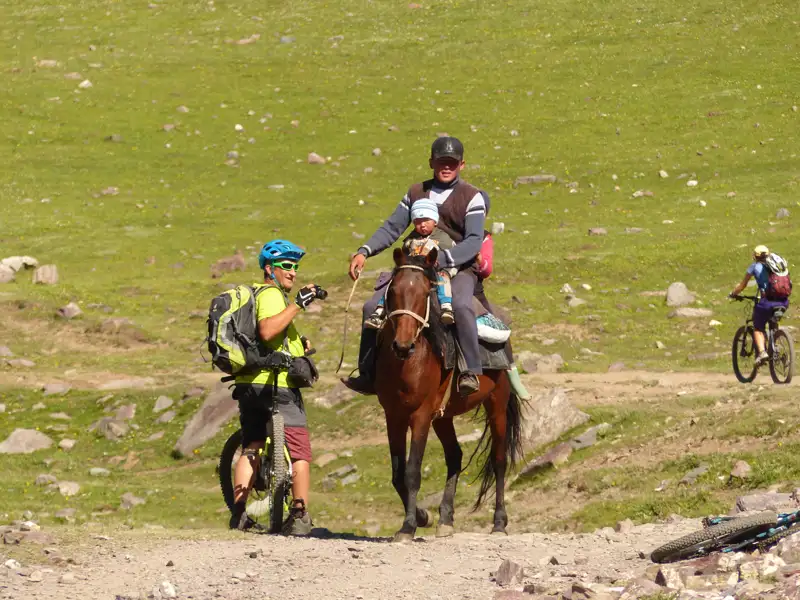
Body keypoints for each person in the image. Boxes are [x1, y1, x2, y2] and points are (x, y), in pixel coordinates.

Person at [343, 136, 488, 396]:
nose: (446, 167)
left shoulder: (472, 196)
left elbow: (475, 240)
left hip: (457, 267)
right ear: (431, 162)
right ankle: (367, 374)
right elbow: (392, 227)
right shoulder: (415, 192)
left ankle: (470, 371)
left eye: (452, 163)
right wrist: (365, 251)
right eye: (441, 162)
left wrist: (442, 259)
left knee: (461, 306)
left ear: (462, 165)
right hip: (414, 267)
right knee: (369, 307)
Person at [230, 239, 321, 535]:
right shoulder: (271, 294)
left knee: (253, 445)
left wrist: (299, 344)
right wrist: (297, 305)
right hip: (276, 384)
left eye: (296, 266)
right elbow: (268, 329)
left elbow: (273, 335)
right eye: (287, 266)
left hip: (248, 383)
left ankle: (240, 514)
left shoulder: (259, 296)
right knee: (300, 452)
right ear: (269, 269)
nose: (293, 272)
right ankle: (299, 513)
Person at [364, 198, 456, 329]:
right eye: (417, 221)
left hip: (435, 271)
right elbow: (404, 256)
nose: (422, 225)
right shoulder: (410, 238)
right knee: (394, 282)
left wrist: (446, 268)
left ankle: (446, 307)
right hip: (412, 272)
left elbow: (452, 256)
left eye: (426, 220)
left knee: (443, 277)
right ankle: (379, 312)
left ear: (435, 221)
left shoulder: (443, 238)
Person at [729, 245, 791, 365]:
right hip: (783, 301)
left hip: (767, 302)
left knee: (758, 328)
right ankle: (776, 345)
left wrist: (733, 294)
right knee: (773, 320)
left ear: (755, 256)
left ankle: (762, 352)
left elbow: (742, 286)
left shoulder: (754, 267)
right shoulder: (778, 265)